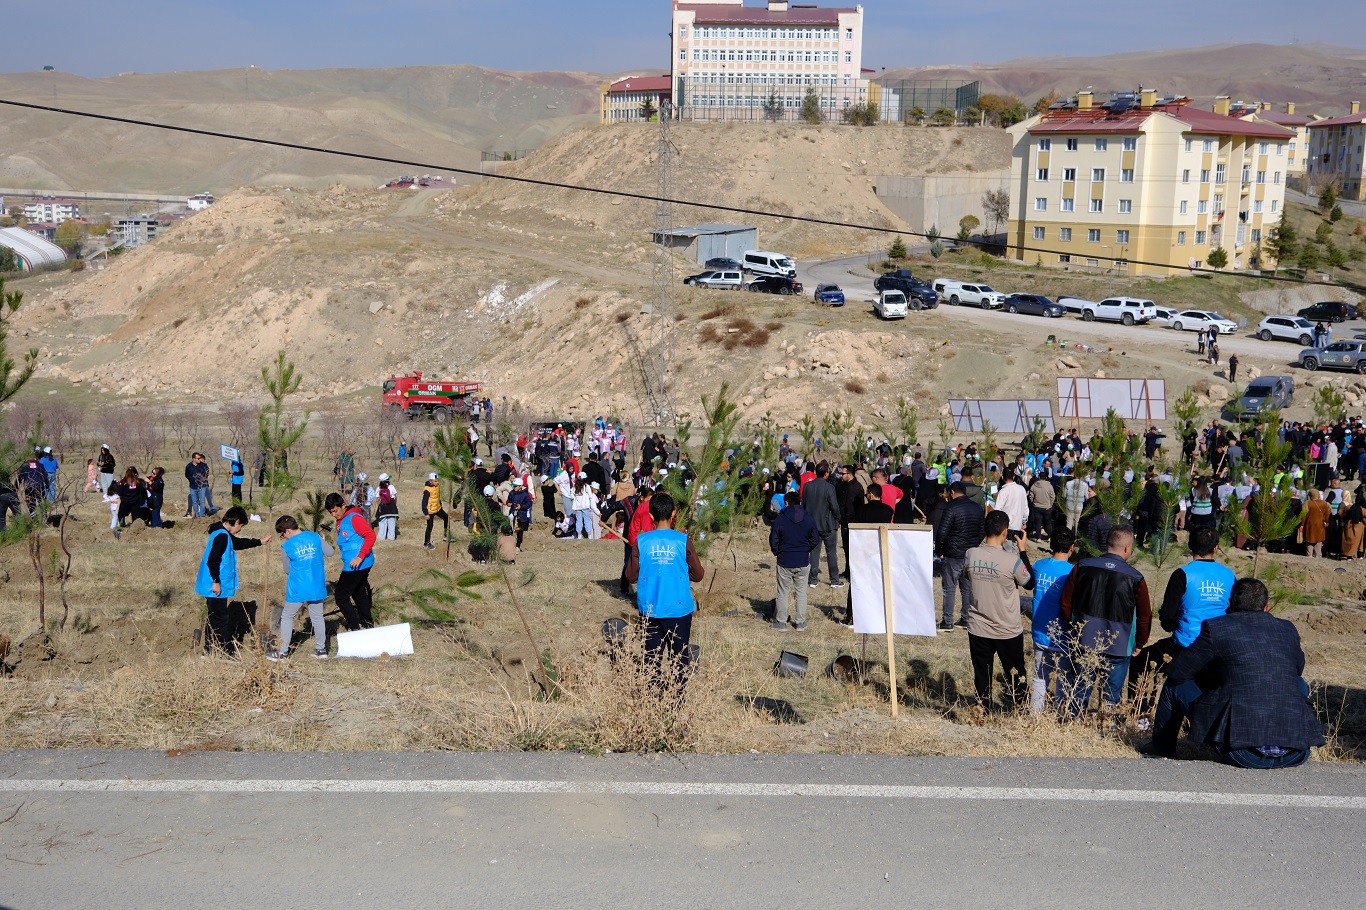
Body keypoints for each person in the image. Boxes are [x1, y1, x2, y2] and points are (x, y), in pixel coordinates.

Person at [1147, 578, 1324, 767]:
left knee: (1174, 685)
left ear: (1229, 604)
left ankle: (1161, 749)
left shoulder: (1217, 627)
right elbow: (1297, 669)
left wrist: (1210, 676)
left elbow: (1177, 671)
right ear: (1267, 608)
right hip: (1296, 752)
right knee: (1298, 682)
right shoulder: (1287, 629)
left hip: (1243, 753)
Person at [1058, 526, 1152, 715]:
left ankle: (1073, 722)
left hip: (1085, 639)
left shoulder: (1082, 566)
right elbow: (1145, 615)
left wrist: (1072, 625)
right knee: (1111, 695)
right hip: (1119, 644)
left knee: (1079, 689)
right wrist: (1140, 642)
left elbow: (1065, 602)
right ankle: (1106, 724)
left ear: (1107, 543)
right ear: (1127, 548)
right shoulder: (1136, 577)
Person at [625, 492, 705, 678]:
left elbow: (630, 576)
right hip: (679, 610)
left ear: (650, 515)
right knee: (679, 660)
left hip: (650, 610)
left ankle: (653, 693)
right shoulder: (683, 540)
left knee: (651, 660)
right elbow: (698, 575)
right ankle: (677, 695)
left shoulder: (641, 542)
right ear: (674, 512)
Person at [964, 509, 1033, 709]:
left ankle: (982, 710)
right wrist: (1022, 550)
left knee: (981, 674)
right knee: (1016, 675)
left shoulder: (971, 554)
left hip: (978, 627)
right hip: (1007, 629)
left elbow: (967, 575)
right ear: (1005, 532)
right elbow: (1029, 583)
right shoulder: (1011, 560)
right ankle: (1020, 710)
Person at [194, 505, 271, 656]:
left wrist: (260, 542)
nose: (240, 529)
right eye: (241, 526)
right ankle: (226, 651)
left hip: (212, 584)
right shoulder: (222, 536)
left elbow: (238, 543)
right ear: (236, 522)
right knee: (221, 619)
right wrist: (216, 582)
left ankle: (209, 649)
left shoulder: (221, 533)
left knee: (213, 617)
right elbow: (213, 561)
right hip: (215, 585)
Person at [268, 515, 333, 661]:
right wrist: (322, 541)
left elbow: (287, 569)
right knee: (317, 617)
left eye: (282, 534)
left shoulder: (287, 546)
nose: (283, 538)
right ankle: (321, 650)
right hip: (316, 584)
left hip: (298, 587)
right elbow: (330, 552)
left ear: (288, 531)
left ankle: (283, 653)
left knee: (287, 617)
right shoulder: (315, 537)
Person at [1029, 527, 1075, 713]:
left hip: (1039, 632)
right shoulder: (1073, 572)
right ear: (1072, 547)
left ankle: (1035, 716)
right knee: (1064, 680)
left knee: (1039, 677)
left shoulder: (1039, 566)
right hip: (1063, 637)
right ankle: (1061, 717)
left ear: (1050, 544)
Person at [933, 480, 984, 632]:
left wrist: (939, 551)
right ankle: (966, 619)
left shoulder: (951, 508)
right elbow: (982, 530)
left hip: (953, 553)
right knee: (967, 588)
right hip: (970, 553)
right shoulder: (977, 508)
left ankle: (947, 621)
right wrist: (974, 545)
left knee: (949, 588)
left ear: (952, 492)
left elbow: (942, 532)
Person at [769, 490, 819, 632]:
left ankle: (781, 623)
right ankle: (800, 623)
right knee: (801, 593)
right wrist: (806, 550)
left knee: (782, 593)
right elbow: (815, 539)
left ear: (786, 503)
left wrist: (777, 552)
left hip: (784, 560)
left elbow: (773, 539)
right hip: (802, 560)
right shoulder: (809, 519)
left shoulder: (781, 519)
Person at [325, 491, 375, 630]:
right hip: (358, 563)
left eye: (335, 511)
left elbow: (370, 535)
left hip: (357, 564)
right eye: (331, 512)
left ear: (344, 505)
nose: (334, 514)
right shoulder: (342, 520)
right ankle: (367, 623)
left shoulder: (354, 518)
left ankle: (354, 627)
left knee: (341, 596)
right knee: (358, 592)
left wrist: (360, 556)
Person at [801, 461, 843, 589]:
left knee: (814, 553)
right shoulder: (829, 487)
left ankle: (813, 580)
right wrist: (838, 518)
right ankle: (834, 580)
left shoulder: (807, 486)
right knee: (831, 553)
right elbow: (834, 506)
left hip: (812, 525)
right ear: (826, 473)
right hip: (828, 525)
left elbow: (804, 505)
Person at [994, 465, 1029, 542]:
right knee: (1014, 546)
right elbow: (1025, 508)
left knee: (1007, 547)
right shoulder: (1021, 489)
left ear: (1002, 477)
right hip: (1018, 525)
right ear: (1013, 477)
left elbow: (997, 510)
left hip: (1006, 526)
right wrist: (1024, 521)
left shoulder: (1003, 491)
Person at [420, 472, 448, 551]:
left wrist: (440, 505)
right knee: (430, 527)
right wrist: (426, 513)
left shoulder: (437, 486)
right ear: (430, 481)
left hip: (437, 508)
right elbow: (424, 503)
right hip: (430, 511)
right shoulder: (427, 490)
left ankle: (446, 535)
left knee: (446, 518)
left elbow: (437, 497)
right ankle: (426, 543)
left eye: (437, 480)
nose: (437, 482)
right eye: (435, 481)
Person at [1302, 488, 1330, 557]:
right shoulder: (1324, 503)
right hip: (1320, 524)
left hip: (1310, 524)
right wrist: (1326, 521)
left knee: (1309, 539)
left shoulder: (1307, 503)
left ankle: (1309, 554)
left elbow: (1304, 515)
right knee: (1319, 540)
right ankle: (1318, 554)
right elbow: (1327, 514)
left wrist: (1302, 524)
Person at [508, 477, 533, 551]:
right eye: (514, 486)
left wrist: (521, 506)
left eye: (516, 486)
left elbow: (529, 504)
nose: (514, 487)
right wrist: (508, 503)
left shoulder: (525, 494)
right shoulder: (512, 493)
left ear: (520, 486)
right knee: (511, 530)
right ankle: (510, 545)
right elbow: (508, 500)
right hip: (513, 514)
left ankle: (518, 546)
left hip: (521, 515)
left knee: (519, 532)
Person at [184, 452, 212, 518]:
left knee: (202, 501)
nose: (199, 459)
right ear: (194, 459)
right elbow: (186, 474)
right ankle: (196, 514)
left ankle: (202, 514)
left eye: (200, 458)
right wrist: (191, 480)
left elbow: (206, 473)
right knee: (194, 501)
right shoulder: (189, 466)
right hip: (193, 486)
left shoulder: (203, 465)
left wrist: (202, 480)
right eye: (198, 458)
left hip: (202, 486)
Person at [375, 473, 399, 540]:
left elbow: (377, 499)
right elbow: (395, 497)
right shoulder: (391, 487)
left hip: (383, 506)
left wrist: (380, 506)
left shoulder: (379, 488)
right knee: (391, 523)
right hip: (391, 507)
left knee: (382, 523)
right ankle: (391, 538)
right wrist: (394, 504)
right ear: (388, 479)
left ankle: (381, 537)